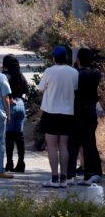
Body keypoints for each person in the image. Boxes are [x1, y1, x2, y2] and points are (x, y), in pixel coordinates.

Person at [38, 46, 80, 187]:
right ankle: (64, 178)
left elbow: (41, 89)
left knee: (51, 146)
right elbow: (75, 89)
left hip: (50, 112)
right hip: (68, 113)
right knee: (64, 146)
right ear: (66, 58)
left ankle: (54, 178)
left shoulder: (49, 71)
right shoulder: (74, 72)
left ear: (54, 57)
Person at [70, 48, 102, 185]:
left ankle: (70, 173)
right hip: (91, 111)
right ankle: (93, 172)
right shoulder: (96, 74)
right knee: (90, 142)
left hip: (76, 112)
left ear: (78, 60)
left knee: (73, 143)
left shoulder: (75, 75)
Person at [2, 55, 30, 173]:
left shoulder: (5, 76)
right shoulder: (20, 75)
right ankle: (21, 162)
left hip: (10, 104)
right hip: (20, 105)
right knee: (19, 136)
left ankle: (9, 162)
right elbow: (26, 90)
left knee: (9, 136)